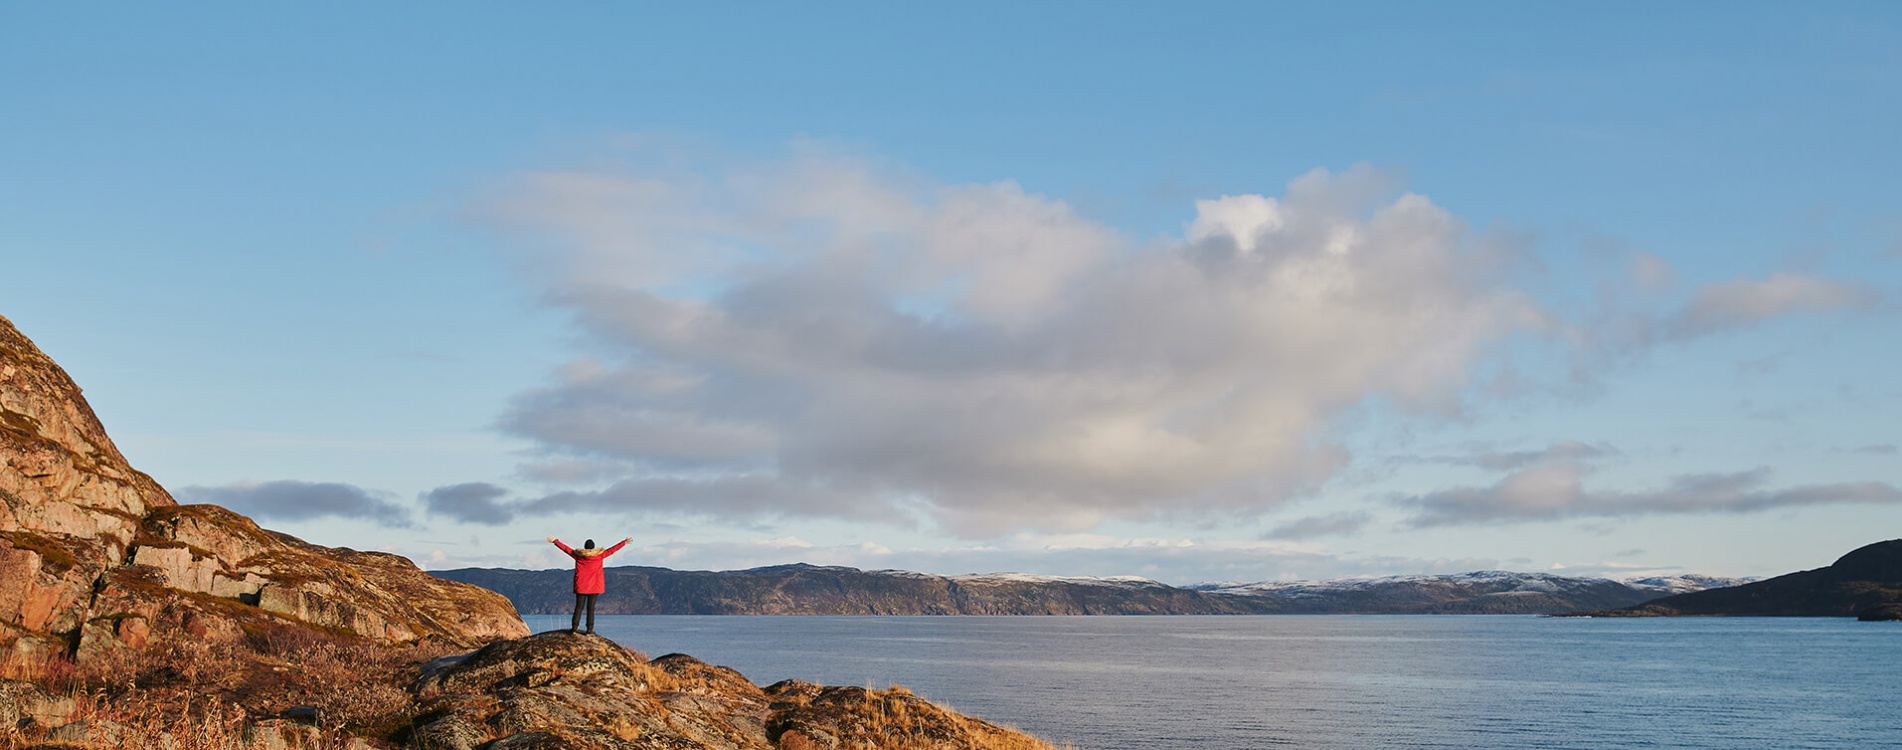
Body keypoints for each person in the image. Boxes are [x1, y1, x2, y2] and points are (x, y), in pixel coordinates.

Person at [546, 535, 630, 634]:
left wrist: (555, 541)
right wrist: (624, 542)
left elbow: (566, 549)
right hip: (595, 586)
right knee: (591, 609)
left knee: (579, 607)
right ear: (593, 547)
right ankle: (589, 630)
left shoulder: (578, 556)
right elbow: (612, 550)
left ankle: (574, 629)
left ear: (585, 547)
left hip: (581, 585)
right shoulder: (599, 556)